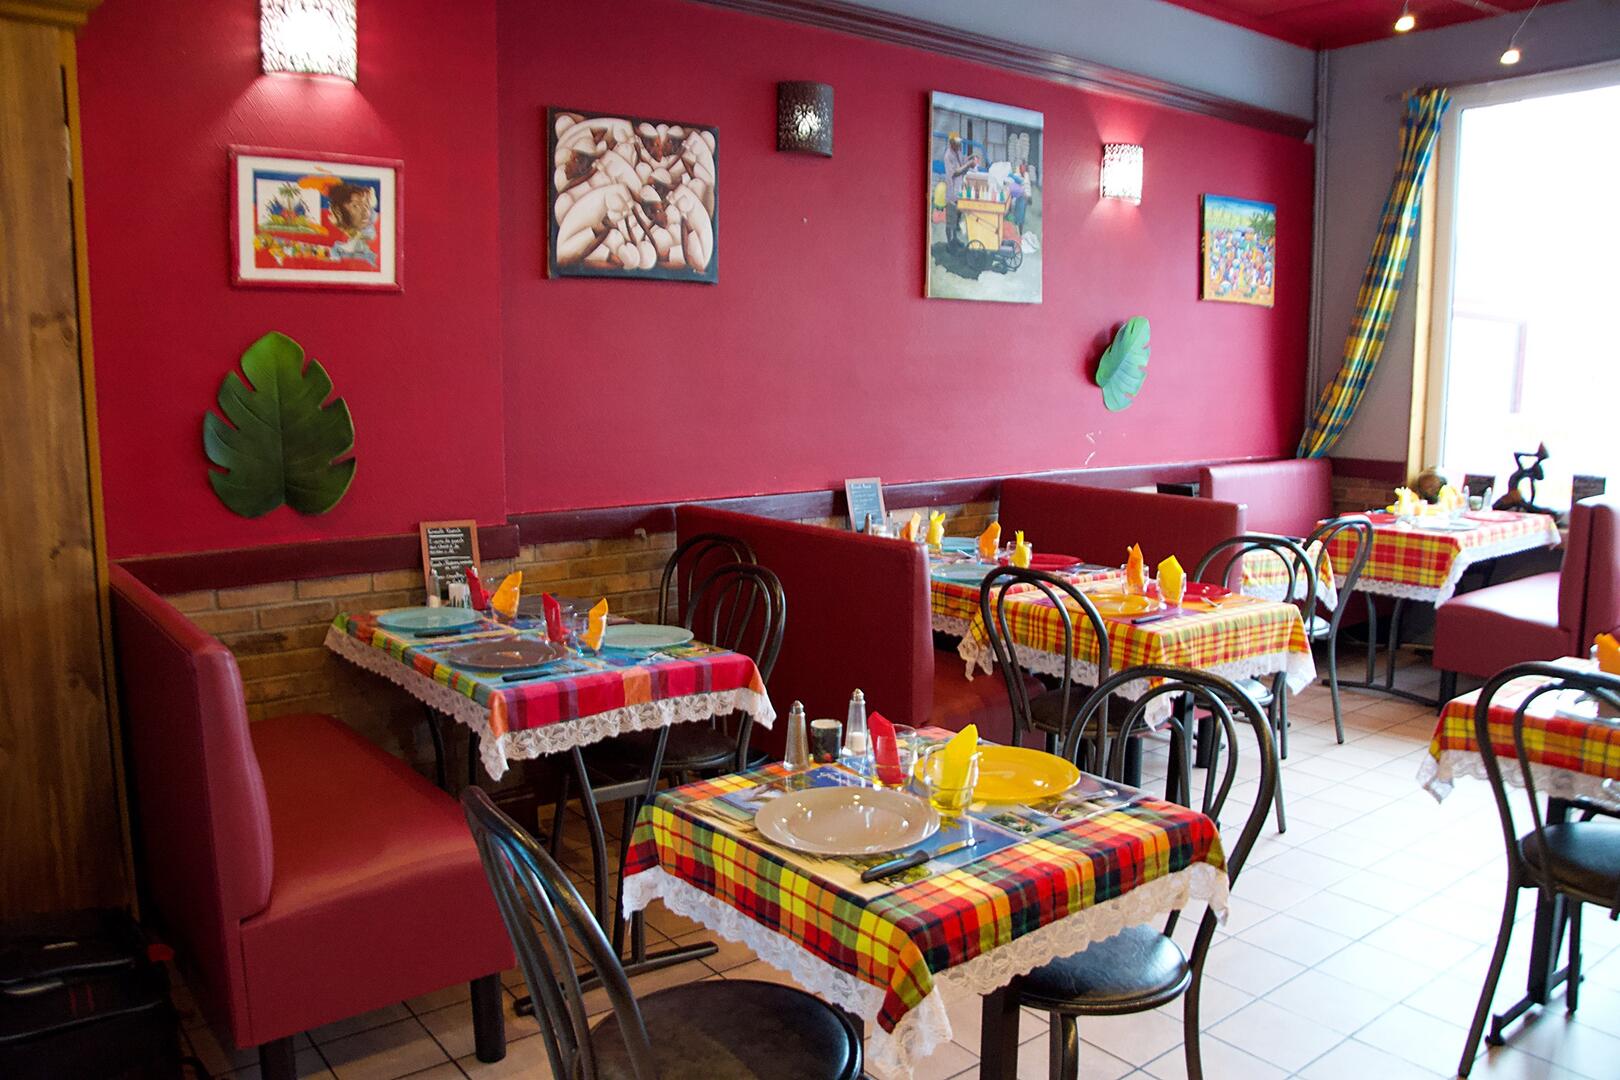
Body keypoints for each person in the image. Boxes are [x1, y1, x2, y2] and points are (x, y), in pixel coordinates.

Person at [941, 132, 980, 251]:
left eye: (959, 143)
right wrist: (968, 164)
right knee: (950, 220)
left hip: (958, 191)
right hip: (951, 192)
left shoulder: (957, 152)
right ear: (951, 143)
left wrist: (970, 157)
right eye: (957, 144)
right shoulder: (948, 156)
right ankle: (949, 244)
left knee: (956, 219)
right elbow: (955, 172)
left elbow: (963, 161)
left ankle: (955, 239)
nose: (959, 146)